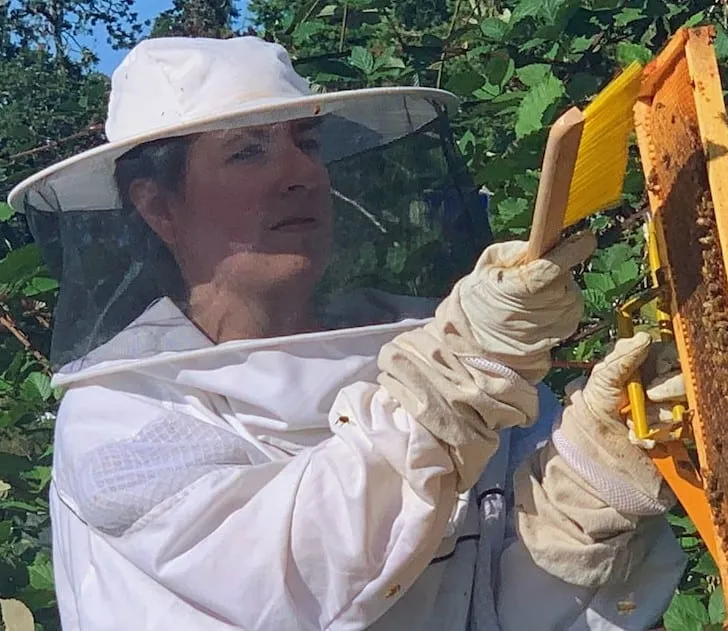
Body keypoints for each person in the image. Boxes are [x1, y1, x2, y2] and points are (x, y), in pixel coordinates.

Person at [8, 36, 688, 631]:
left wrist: (586, 478)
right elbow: (295, 573)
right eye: (248, 152)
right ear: (158, 206)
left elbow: (493, 603)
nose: (300, 174)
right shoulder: (123, 420)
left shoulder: (442, 357)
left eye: (306, 144)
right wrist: (457, 378)